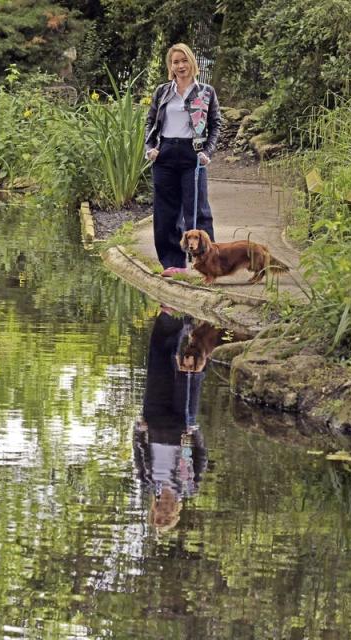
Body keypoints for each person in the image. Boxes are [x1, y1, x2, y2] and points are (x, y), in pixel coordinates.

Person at [134, 309, 220, 535]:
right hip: (182, 428)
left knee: (159, 364)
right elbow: (201, 456)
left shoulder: (148, 482)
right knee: (189, 368)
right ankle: (195, 324)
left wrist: (138, 430)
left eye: (158, 516)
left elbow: (138, 453)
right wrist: (195, 434)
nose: (163, 512)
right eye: (166, 518)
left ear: (153, 510)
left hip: (154, 420)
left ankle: (171, 317)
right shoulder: (188, 487)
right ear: (174, 514)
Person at [144, 43, 222, 278]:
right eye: (175, 62)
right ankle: (173, 263)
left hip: (193, 154)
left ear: (192, 63)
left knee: (197, 210)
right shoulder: (162, 91)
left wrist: (208, 151)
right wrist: (150, 148)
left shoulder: (206, 92)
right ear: (171, 66)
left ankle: (208, 265)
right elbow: (150, 122)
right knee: (165, 211)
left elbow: (215, 124)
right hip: (165, 152)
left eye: (183, 60)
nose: (180, 66)